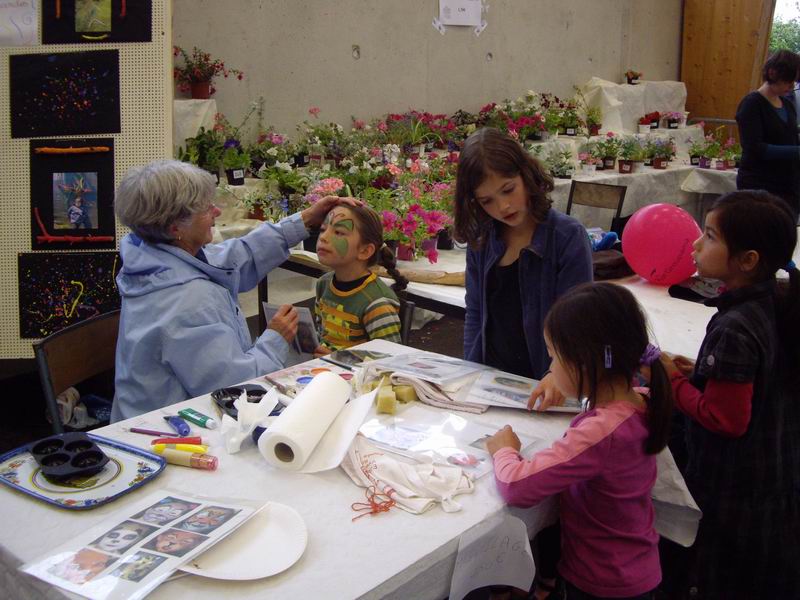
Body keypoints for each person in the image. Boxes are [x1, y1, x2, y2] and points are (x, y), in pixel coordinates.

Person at [111, 159, 356, 421]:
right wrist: (275, 339)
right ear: (175, 228)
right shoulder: (188, 300)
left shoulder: (154, 257)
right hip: (168, 430)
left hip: (143, 414)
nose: (216, 211)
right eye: (206, 208)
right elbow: (235, 387)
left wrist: (303, 222)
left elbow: (233, 257)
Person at [486, 282, 673, 599]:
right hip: (634, 570)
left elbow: (518, 486)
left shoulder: (602, 432)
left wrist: (504, 450)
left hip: (603, 583)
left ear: (584, 364)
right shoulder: (640, 399)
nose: (549, 368)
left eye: (553, 358)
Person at [659, 190, 800, 597]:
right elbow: (754, 383)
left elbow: (727, 419)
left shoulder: (735, 326)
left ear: (748, 259)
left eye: (710, 236)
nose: (696, 244)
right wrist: (700, 373)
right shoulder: (774, 300)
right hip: (772, 479)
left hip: (738, 490)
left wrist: (675, 382)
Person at [454, 127, 592, 403]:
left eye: (508, 190)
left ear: (526, 175)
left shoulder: (567, 238)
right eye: (487, 201)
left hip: (548, 385)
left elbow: (579, 323)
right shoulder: (482, 239)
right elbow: (476, 312)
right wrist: (469, 371)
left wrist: (557, 373)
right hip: (491, 384)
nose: (503, 206)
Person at [313, 204, 408, 352]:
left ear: (365, 251)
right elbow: (322, 336)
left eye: (338, 232)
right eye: (323, 230)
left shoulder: (376, 305)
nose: (323, 237)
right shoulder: (323, 284)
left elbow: (389, 360)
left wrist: (335, 360)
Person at [735, 49, 800, 220]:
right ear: (773, 73)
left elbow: (790, 135)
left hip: (788, 188)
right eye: (789, 80)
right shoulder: (751, 104)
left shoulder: (787, 104)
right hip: (759, 187)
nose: (792, 86)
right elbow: (756, 148)